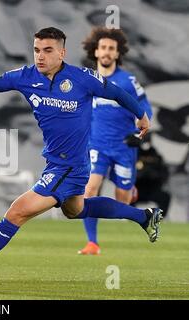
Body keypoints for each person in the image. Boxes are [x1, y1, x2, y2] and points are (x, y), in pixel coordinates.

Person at [0, 27, 163, 286]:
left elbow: (117, 93)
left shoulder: (83, 78)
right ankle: (144, 217)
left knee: (16, 212)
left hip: (69, 167)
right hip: (57, 162)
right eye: (37, 50)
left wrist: (141, 116)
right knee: (77, 210)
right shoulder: (25, 77)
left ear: (62, 53)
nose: (40, 56)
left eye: (48, 50)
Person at [77, 27, 154, 255]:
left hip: (123, 146)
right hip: (96, 145)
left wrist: (138, 131)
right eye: (103, 48)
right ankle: (92, 243)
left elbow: (145, 108)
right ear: (96, 51)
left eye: (112, 48)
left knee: (124, 201)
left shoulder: (128, 81)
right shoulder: (88, 79)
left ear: (118, 53)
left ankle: (130, 190)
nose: (107, 52)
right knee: (89, 191)